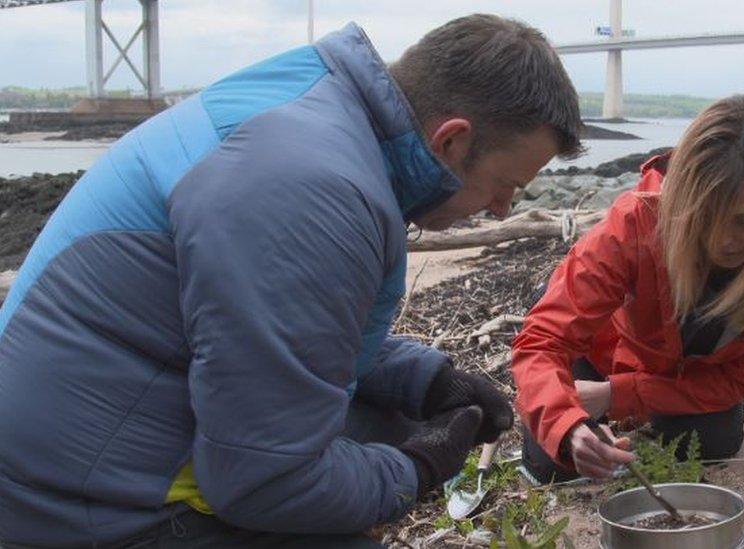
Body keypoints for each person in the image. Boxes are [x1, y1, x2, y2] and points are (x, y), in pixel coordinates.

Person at [0, 14, 583, 547]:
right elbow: (266, 484)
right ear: (450, 140)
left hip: (85, 440)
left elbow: (268, 326)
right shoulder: (312, 190)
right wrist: (420, 469)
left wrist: (424, 379)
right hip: (78, 508)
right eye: (505, 183)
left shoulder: (319, 114)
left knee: (388, 420)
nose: (505, 210)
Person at [511, 94, 744, 483]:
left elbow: (741, 379)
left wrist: (616, 395)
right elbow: (543, 340)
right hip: (601, 357)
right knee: (552, 462)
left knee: (713, 443)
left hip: (690, 383)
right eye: (704, 215)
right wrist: (568, 427)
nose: (722, 241)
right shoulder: (638, 219)